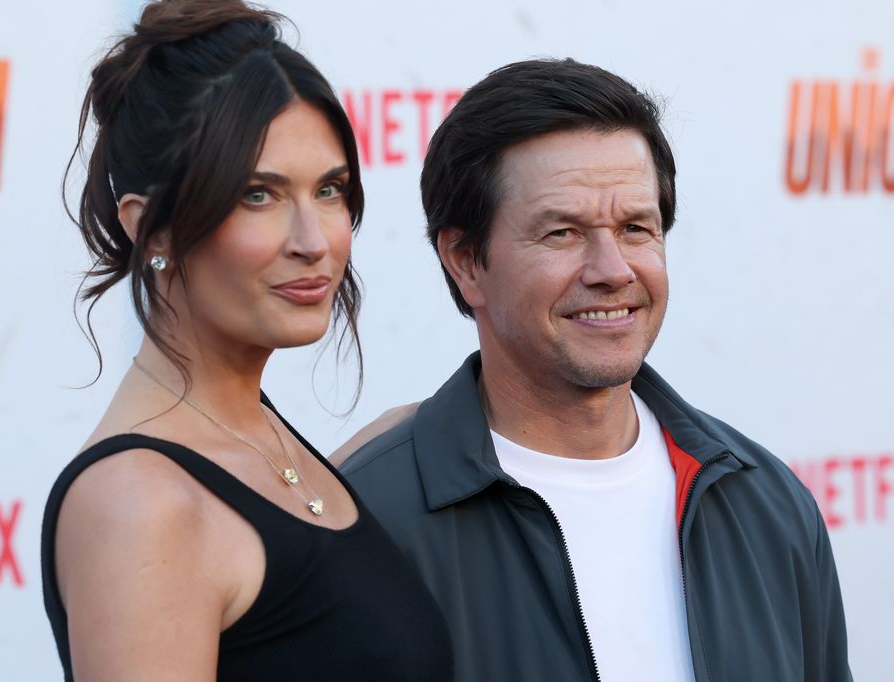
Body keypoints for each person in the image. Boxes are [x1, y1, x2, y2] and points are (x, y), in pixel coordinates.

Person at [338, 59, 852, 682]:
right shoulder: (365, 523)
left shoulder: (764, 503)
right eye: (562, 232)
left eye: (637, 228)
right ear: (466, 262)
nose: (612, 269)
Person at [39, 2, 452, 680]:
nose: (313, 241)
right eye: (257, 195)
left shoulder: (260, 445)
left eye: (329, 190)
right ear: (154, 231)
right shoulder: (140, 507)